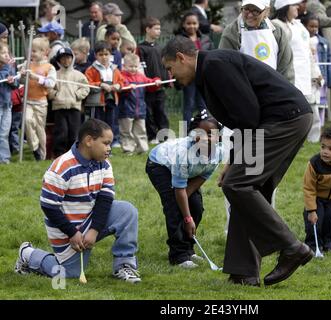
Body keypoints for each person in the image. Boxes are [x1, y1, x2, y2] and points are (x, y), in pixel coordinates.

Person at [162, 37, 314, 286]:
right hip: (286, 119)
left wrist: (233, 161)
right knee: (249, 190)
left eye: (170, 67)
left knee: (237, 184)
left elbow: (247, 115)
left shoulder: (214, 65)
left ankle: (291, 247)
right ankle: (244, 273)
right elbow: (244, 117)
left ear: (181, 57)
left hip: (283, 120)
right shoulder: (209, 70)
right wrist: (234, 161)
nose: (170, 75)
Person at [14, 119, 141, 283]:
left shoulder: (104, 164)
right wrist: (72, 233)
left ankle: (124, 265)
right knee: (67, 273)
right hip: (66, 229)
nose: (109, 148)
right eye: (106, 143)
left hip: (90, 220)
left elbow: (105, 198)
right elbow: (49, 206)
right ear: (89, 141)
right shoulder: (61, 167)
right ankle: (27, 254)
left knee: (127, 211)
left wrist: (94, 230)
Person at [146, 111, 224, 268]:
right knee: (175, 208)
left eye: (210, 134)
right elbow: (179, 189)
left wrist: (188, 207)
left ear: (219, 137)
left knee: (196, 206)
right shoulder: (183, 153)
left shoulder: (218, 153)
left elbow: (202, 176)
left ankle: (189, 249)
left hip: (190, 172)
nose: (205, 138)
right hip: (160, 164)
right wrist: (187, 218)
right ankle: (179, 255)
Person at [273, 0, 322, 143]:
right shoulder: (277, 25)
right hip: (290, 75)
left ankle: (312, 139)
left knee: (312, 108)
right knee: (293, 109)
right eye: (294, 5)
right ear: (285, 7)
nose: (298, 7)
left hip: (306, 74)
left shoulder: (299, 25)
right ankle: (292, 138)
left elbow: (307, 51)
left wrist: (315, 72)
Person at [219, 0, 295, 83]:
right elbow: (226, 68)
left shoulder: (277, 32)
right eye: (246, 9)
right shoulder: (232, 32)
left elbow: (286, 69)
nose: (250, 15)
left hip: (274, 90)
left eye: (255, 11)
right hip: (244, 90)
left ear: (267, 12)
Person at [48, 48, 90, 157]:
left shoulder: (78, 75)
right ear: (58, 60)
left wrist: (77, 95)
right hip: (59, 107)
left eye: (68, 58)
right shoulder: (55, 75)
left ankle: (74, 153)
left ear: (72, 59)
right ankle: (59, 153)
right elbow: (48, 88)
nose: (66, 61)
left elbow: (85, 87)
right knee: (61, 132)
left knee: (74, 132)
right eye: (63, 58)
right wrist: (55, 95)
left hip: (74, 107)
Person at [19, 37, 57, 161]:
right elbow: (20, 80)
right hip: (28, 101)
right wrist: (22, 74)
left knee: (40, 128)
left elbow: (51, 83)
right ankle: (34, 148)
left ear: (44, 52)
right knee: (27, 121)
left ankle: (42, 154)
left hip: (41, 102)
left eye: (34, 51)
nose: (32, 53)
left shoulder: (49, 67)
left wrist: (36, 77)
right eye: (31, 50)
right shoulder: (27, 64)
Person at [118, 53, 161, 155]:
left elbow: (150, 84)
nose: (133, 69)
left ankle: (142, 148)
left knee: (141, 130)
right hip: (126, 109)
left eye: (135, 66)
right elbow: (120, 87)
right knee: (126, 131)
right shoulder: (122, 76)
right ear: (124, 66)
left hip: (140, 109)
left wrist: (156, 82)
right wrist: (128, 86)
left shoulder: (141, 76)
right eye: (130, 66)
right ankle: (128, 149)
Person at [176, 11, 213, 127]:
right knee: (189, 104)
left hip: (202, 76)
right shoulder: (179, 40)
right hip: (188, 77)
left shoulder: (206, 39)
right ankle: (185, 131)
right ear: (183, 25)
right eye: (188, 23)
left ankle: (206, 129)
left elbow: (211, 55)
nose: (192, 26)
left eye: (194, 23)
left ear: (198, 24)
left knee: (203, 104)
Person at [85, 41, 124, 145]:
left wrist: (118, 85)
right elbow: (87, 82)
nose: (104, 57)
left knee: (110, 123)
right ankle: (95, 144)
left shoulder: (114, 69)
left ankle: (109, 143)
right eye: (100, 54)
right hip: (97, 102)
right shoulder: (91, 69)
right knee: (97, 124)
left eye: (106, 54)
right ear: (95, 55)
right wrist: (100, 84)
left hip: (111, 100)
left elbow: (122, 81)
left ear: (110, 55)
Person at [138, 17, 170, 144]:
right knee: (149, 113)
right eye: (156, 29)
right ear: (147, 29)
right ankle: (151, 136)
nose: (159, 31)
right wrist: (147, 81)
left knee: (161, 112)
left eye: (159, 29)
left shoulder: (160, 48)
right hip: (148, 88)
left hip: (160, 87)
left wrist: (167, 80)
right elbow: (140, 68)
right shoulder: (140, 48)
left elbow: (164, 66)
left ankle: (164, 136)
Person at [303, 13, 331, 129]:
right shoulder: (302, 40)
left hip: (321, 76)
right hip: (308, 75)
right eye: (311, 26)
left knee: (321, 103)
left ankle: (320, 125)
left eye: (316, 27)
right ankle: (309, 125)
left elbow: (329, 60)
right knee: (309, 101)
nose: (314, 29)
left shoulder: (323, 42)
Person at [0, 42, 18, 164]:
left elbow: (15, 86)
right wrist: (7, 69)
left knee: (4, 133)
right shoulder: (6, 68)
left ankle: (4, 159)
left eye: (7, 52)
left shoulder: (9, 68)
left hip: (7, 105)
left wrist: (12, 82)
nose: (6, 55)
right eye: (3, 53)